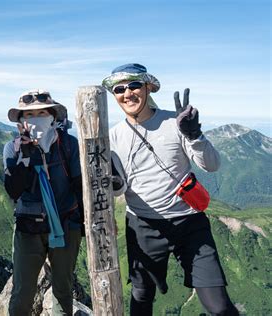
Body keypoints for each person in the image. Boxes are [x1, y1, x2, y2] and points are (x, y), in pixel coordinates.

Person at [102, 63, 238, 316]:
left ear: (148, 87)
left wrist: (194, 135)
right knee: (141, 297)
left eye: (134, 85)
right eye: (119, 89)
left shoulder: (176, 123)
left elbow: (211, 165)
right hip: (143, 224)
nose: (127, 93)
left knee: (219, 306)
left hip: (190, 223)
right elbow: (120, 189)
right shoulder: (113, 137)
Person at [3, 89, 83, 315]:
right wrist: (26, 158)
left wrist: (86, 224)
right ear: (20, 121)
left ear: (52, 117)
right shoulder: (13, 148)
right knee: (22, 292)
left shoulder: (68, 145)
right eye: (28, 115)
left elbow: (79, 186)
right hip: (29, 229)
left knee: (63, 290)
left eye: (41, 113)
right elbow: (13, 190)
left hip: (67, 225)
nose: (35, 119)